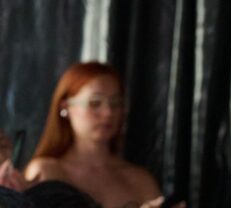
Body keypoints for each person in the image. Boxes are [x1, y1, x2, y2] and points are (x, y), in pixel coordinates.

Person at [23, 62, 180, 208]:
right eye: (95, 103)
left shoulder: (140, 180)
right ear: (65, 107)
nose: (108, 113)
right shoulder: (47, 171)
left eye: (115, 103)